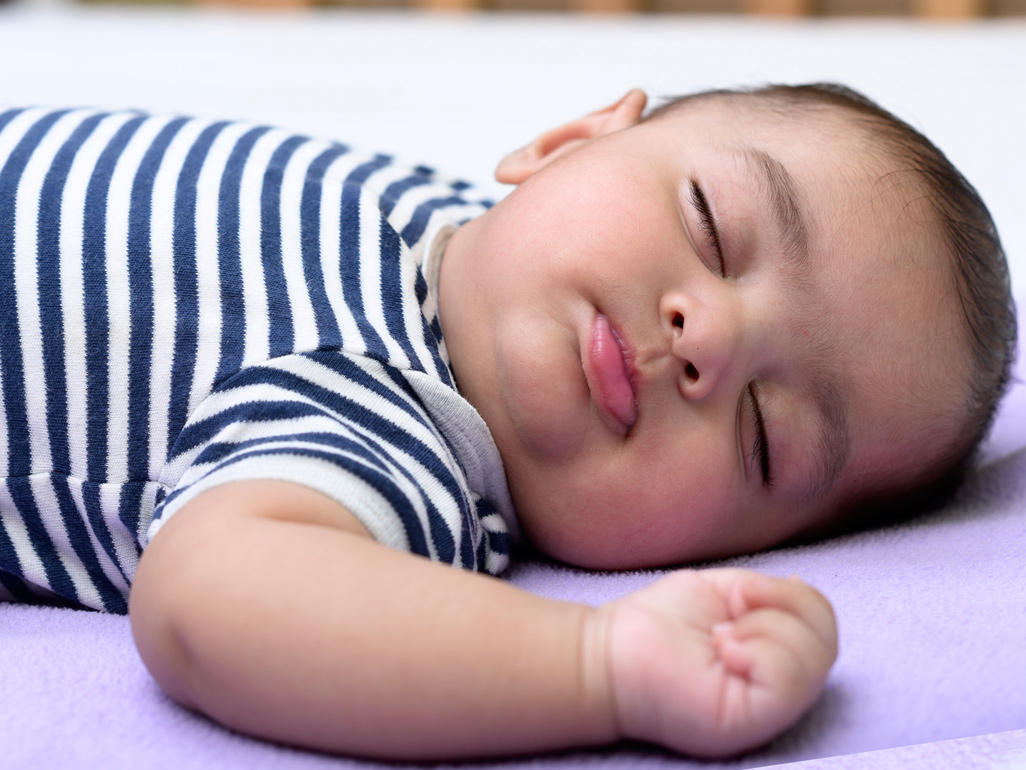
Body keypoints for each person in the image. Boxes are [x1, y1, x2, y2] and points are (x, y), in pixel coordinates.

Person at [0, 83, 1015, 760]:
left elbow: (209, 598)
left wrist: (599, 666)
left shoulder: (397, 435)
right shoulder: (446, 218)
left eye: (762, 432)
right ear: (568, 142)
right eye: (710, 221)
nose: (709, 338)